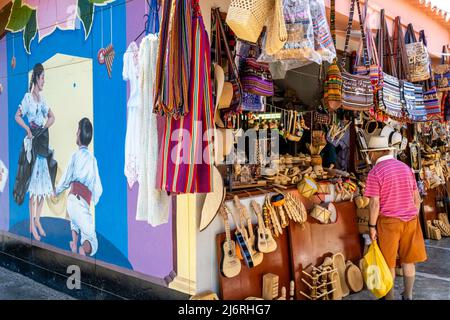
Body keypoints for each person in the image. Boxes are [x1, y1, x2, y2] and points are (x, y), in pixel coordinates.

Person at [363, 135, 427, 300]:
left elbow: (374, 204)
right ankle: (408, 295)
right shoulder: (405, 168)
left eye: (371, 152)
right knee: (408, 261)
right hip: (411, 221)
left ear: (377, 153)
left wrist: (371, 227)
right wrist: (412, 214)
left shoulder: (375, 172)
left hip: (389, 223)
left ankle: (389, 298)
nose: (369, 156)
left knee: (388, 263)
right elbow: (416, 199)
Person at [15, 63, 56, 241]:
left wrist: (43, 126)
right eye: (42, 78)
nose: (44, 81)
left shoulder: (43, 99)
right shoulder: (27, 98)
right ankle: (32, 224)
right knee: (33, 189)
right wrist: (29, 129)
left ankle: (38, 220)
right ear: (36, 78)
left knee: (42, 187)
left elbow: (52, 117)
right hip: (33, 145)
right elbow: (17, 116)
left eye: (44, 78)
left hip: (43, 143)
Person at [54, 118, 102, 256]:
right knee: (92, 241)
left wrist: (56, 191)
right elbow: (98, 187)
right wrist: (95, 198)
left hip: (71, 201)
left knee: (75, 221)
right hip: (81, 201)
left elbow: (66, 178)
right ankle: (81, 250)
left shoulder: (74, 156)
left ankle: (74, 243)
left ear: (79, 132)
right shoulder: (92, 160)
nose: (76, 134)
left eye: (76, 132)